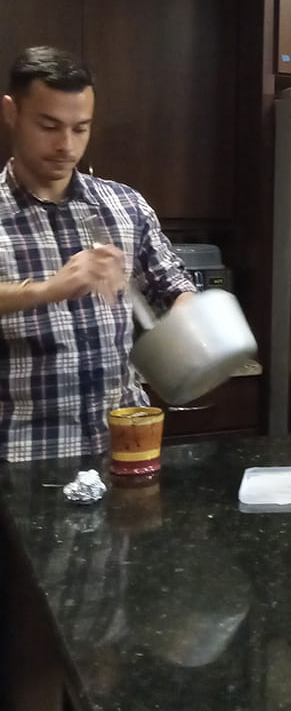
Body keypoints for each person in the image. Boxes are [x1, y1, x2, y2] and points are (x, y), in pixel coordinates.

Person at [0, 46, 196, 461]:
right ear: (11, 112)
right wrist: (46, 290)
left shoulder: (124, 205)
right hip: (23, 456)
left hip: (124, 449)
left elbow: (173, 283)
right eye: (49, 126)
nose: (66, 146)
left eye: (80, 128)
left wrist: (186, 308)